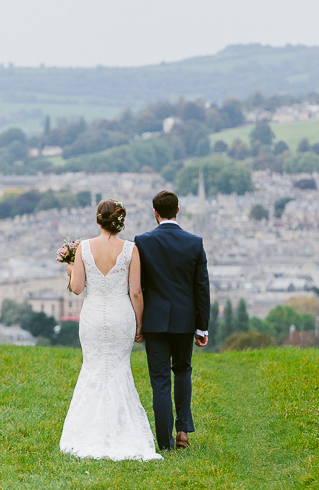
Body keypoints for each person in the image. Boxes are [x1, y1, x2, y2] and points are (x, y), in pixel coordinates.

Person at [59, 199, 162, 461]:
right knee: (118, 369)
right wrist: (140, 323)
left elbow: (78, 288)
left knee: (92, 368)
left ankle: (85, 433)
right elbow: (136, 292)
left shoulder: (83, 248)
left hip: (93, 317)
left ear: (98, 219)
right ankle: (122, 430)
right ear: (120, 222)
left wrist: (71, 269)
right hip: (121, 317)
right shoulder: (130, 250)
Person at [134, 190, 210, 451]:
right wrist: (202, 327)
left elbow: (137, 286)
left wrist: (138, 322)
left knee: (160, 382)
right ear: (178, 210)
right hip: (184, 321)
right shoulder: (194, 242)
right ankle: (183, 431)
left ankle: (165, 444)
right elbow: (202, 288)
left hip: (154, 321)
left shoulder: (142, 242)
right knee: (183, 371)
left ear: (155, 213)